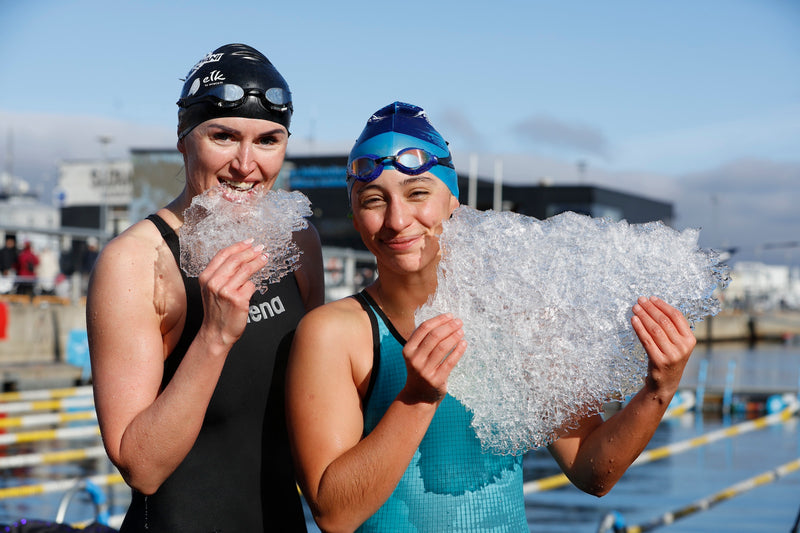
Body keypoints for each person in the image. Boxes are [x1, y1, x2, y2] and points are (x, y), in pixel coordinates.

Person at [285, 102, 697, 532]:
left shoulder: (513, 320)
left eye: (418, 193)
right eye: (374, 200)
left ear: (452, 201)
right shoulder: (333, 333)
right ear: (355, 216)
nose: (398, 219)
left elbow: (593, 471)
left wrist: (657, 389)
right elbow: (334, 514)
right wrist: (418, 398)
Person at [87, 43, 324, 532]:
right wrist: (214, 336)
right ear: (184, 139)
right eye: (223, 136)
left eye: (268, 140)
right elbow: (141, 467)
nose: (246, 163)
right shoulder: (135, 262)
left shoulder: (299, 240)